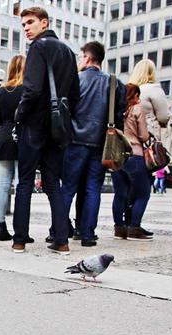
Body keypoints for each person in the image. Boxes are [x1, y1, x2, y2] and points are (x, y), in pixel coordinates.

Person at [12, 6, 80, 255]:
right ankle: (61, 240)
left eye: (30, 22)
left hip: (34, 124)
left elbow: (31, 90)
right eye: (23, 24)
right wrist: (63, 117)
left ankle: (19, 240)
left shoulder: (37, 48)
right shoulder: (68, 52)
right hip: (57, 127)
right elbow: (75, 93)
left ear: (44, 23)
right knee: (53, 183)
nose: (26, 28)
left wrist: (19, 115)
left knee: (25, 182)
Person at [61, 41, 125, 248]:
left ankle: (59, 232)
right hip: (101, 143)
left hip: (75, 141)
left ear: (87, 58)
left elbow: (65, 110)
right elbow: (118, 117)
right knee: (93, 188)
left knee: (68, 188)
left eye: (82, 57)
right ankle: (87, 234)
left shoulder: (75, 80)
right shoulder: (114, 83)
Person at [0, 55, 25, 242]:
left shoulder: (1, 91)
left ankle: (1, 226)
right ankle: (21, 228)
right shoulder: (28, 90)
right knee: (21, 184)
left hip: (3, 138)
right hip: (22, 137)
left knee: (3, 184)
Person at [112, 84, 152, 241]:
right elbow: (143, 135)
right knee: (143, 193)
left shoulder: (115, 110)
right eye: (137, 95)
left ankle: (119, 228)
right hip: (134, 154)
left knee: (120, 194)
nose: (138, 99)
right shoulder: (136, 109)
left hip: (116, 155)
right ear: (134, 95)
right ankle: (134, 228)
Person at [128, 59, 170, 141]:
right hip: (149, 137)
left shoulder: (128, 90)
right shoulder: (154, 89)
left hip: (130, 136)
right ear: (152, 73)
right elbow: (164, 117)